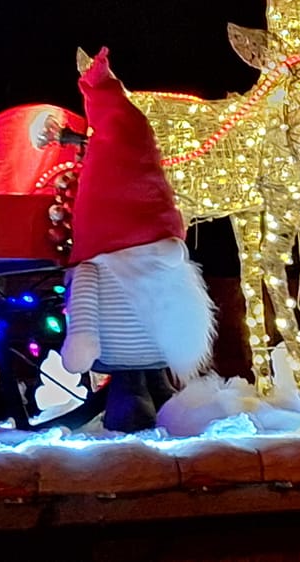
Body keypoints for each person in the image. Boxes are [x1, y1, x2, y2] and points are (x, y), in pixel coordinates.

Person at [59, 49, 217, 432]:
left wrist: (82, 340)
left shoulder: (98, 263)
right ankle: (147, 400)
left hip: (142, 349)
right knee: (136, 393)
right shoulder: (162, 255)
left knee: (143, 391)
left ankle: (150, 398)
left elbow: (84, 301)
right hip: (148, 347)